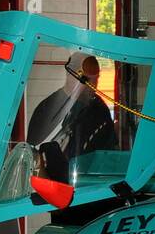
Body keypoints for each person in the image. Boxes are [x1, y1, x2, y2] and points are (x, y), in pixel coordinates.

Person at [26, 52, 117, 181]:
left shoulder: (99, 110)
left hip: (87, 183)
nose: (93, 86)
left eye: (96, 79)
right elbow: (32, 153)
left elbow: (108, 153)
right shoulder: (48, 108)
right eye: (87, 80)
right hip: (53, 183)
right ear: (70, 74)